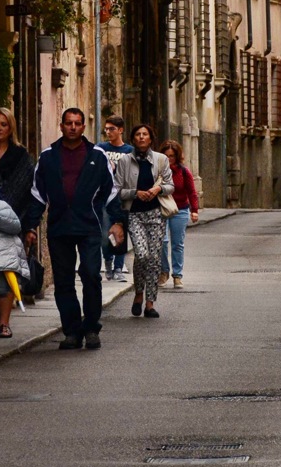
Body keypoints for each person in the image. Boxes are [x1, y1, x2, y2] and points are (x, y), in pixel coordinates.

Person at [24, 108, 124, 351]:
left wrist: (118, 221)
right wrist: (30, 226)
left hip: (89, 225)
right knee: (64, 280)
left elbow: (111, 192)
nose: (73, 127)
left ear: (83, 127)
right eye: (68, 123)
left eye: (77, 123)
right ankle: (71, 331)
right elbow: (38, 194)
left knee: (90, 274)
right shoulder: (48, 157)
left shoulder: (97, 156)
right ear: (61, 126)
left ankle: (91, 328)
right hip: (59, 226)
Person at [0, 107, 34, 336]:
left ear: (11, 127)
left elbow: (29, 190)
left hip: (13, 220)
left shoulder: (21, 155)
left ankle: (4, 322)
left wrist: (29, 225)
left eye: (3, 124)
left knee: (8, 267)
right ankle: (1, 307)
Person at [115, 125, 173, 318]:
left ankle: (150, 303)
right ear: (133, 138)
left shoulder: (161, 159)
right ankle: (138, 293)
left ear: (150, 138)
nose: (141, 137)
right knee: (141, 255)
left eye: (145, 134)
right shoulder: (125, 161)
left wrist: (158, 190)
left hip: (156, 214)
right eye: (138, 134)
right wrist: (135, 193)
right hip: (134, 214)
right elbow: (117, 190)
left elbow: (170, 185)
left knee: (155, 259)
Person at [158, 139, 199, 289]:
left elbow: (191, 192)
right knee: (162, 241)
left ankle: (177, 275)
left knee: (178, 244)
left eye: (172, 156)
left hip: (180, 209)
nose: (169, 159)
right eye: (166, 156)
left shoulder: (183, 171)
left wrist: (194, 211)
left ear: (177, 156)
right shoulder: (157, 171)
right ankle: (163, 271)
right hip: (162, 209)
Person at [98, 115, 134, 283]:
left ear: (120, 130)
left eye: (112, 129)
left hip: (122, 199)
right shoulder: (101, 148)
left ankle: (119, 268)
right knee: (105, 233)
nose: (108, 132)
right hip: (105, 199)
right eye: (106, 129)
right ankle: (108, 262)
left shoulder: (129, 151)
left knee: (121, 233)